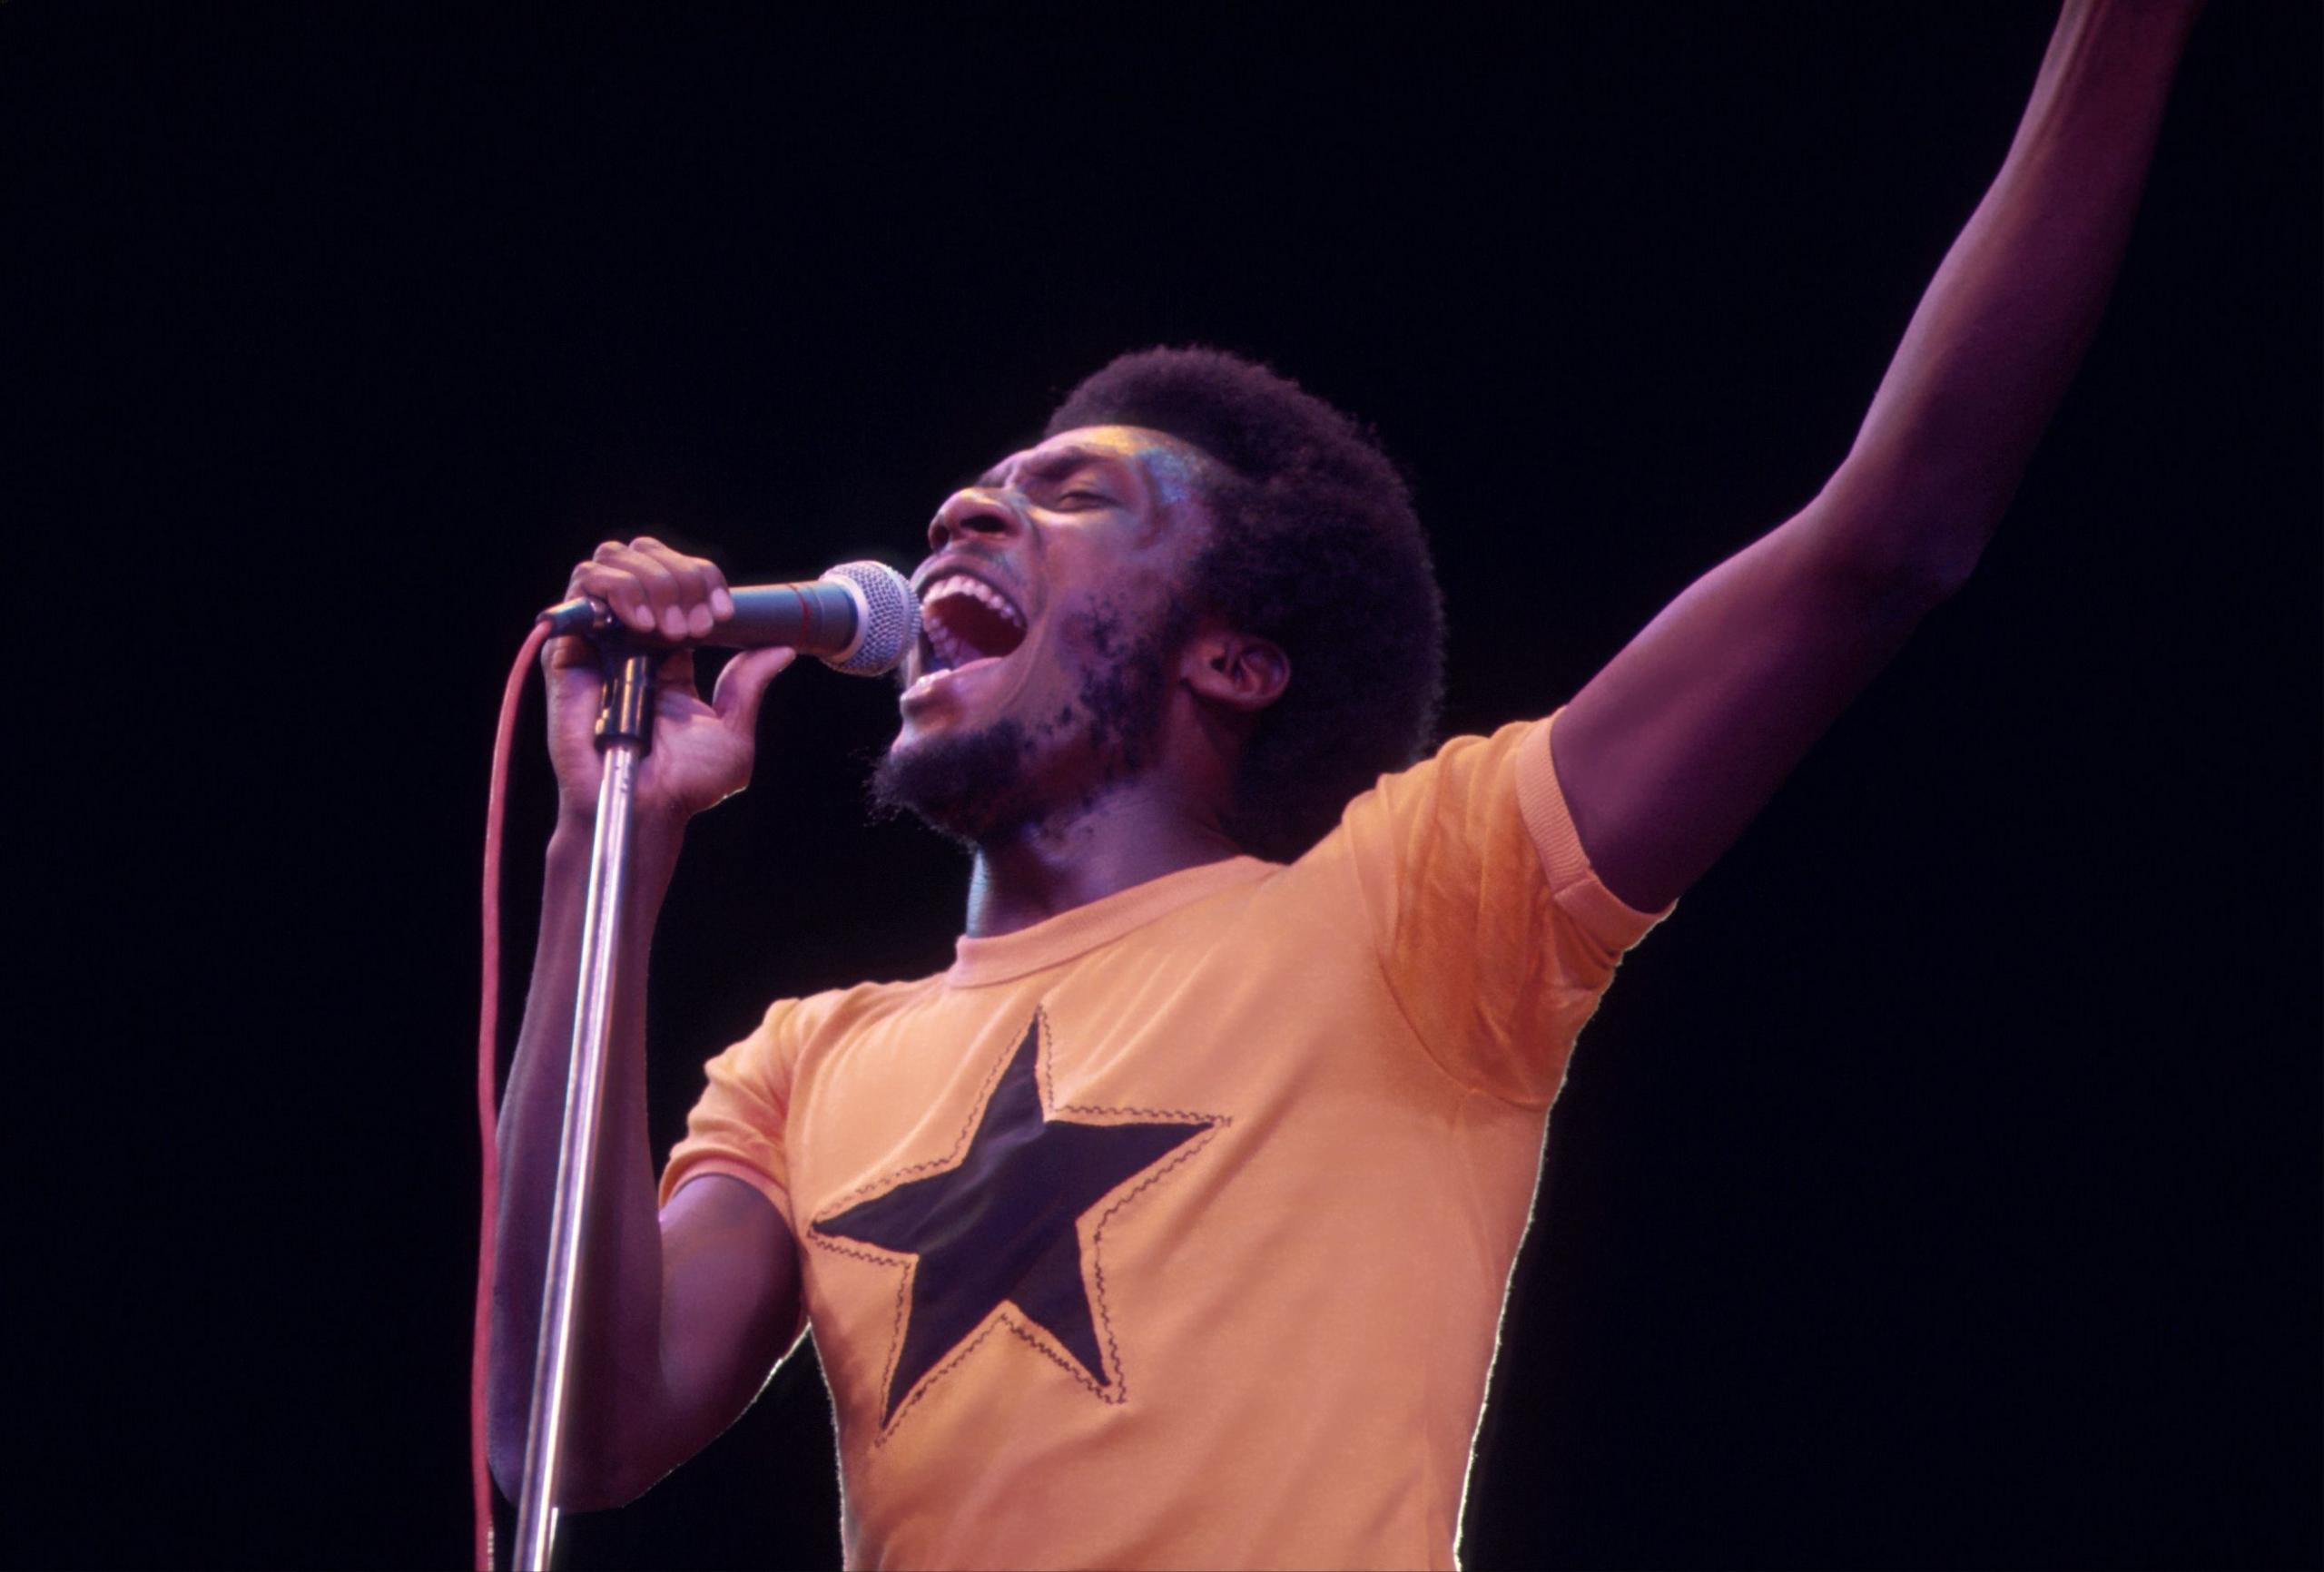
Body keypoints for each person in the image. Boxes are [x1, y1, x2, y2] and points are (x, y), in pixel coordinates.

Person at [490, 4, 2202, 1565]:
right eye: (978, 486)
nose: (967, 510)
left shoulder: (1423, 903)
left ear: (1235, 657)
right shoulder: (807, 1064)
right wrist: (606, 852)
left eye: (1074, 495)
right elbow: (566, 1430)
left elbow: (1886, 534)